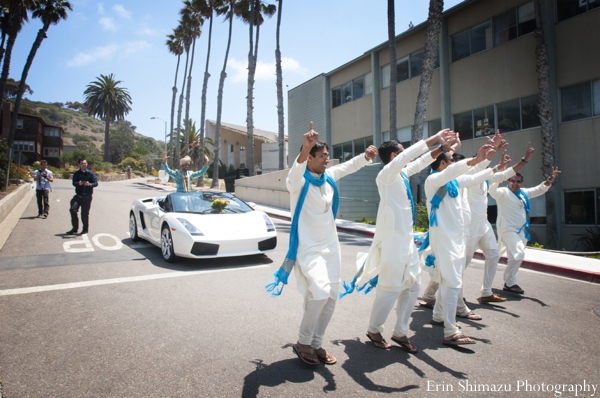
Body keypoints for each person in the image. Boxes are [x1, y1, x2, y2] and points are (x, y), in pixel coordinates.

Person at [266, 122, 377, 366]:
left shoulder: (328, 178)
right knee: (319, 292)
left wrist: (365, 157)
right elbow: (295, 170)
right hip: (308, 248)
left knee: (331, 297)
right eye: (323, 156)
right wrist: (304, 148)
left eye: (328, 155)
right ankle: (303, 341)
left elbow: (348, 167)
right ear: (310, 158)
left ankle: (316, 343)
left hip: (331, 247)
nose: (327, 159)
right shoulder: (298, 183)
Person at [358, 128, 457, 353]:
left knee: (414, 286)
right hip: (393, 244)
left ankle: (400, 332)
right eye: (400, 153)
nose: (403, 156)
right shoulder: (386, 176)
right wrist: (433, 140)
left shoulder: (401, 174)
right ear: (394, 157)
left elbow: (421, 162)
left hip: (407, 243)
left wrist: (441, 149)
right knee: (390, 288)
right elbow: (409, 156)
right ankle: (374, 329)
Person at [424, 142, 496, 345]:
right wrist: (475, 160)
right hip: (445, 240)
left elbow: (474, 178)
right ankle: (450, 330)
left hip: (456, 239)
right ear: (443, 165)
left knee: (447, 280)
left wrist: (492, 164)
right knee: (453, 282)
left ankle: (438, 316)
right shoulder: (433, 180)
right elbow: (456, 171)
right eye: (451, 162)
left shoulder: (454, 183)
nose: (455, 164)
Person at [464, 144, 534, 302]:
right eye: (483, 159)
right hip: (470, 226)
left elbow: (508, 174)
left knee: (494, 255)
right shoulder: (468, 177)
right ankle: (439, 293)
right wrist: (492, 157)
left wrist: (524, 159)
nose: (486, 163)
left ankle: (486, 292)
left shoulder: (486, 179)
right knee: (463, 262)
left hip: (484, 224)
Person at [489, 165, 561, 295]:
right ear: (508, 181)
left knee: (514, 257)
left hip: (521, 231)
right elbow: (492, 190)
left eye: (518, 181)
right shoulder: (502, 193)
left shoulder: (523, 193)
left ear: (522, 183)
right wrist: (500, 173)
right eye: (512, 180)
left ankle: (509, 283)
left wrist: (550, 179)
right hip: (508, 230)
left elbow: (539, 189)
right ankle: (509, 281)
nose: (515, 183)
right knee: (519, 254)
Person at [67, 158, 98, 235]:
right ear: (79, 164)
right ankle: (75, 228)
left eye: (85, 163)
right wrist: (79, 183)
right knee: (72, 210)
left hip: (87, 197)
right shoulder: (77, 173)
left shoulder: (91, 173)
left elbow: (96, 183)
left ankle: (85, 229)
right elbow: (74, 183)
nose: (84, 165)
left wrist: (89, 184)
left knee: (84, 214)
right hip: (78, 196)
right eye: (82, 163)